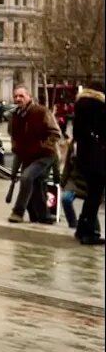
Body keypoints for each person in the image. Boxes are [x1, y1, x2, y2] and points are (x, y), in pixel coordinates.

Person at [8, 85, 60, 224]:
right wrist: (17, 150)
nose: (18, 99)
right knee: (36, 183)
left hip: (45, 155)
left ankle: (18, 212)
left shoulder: (41, 111)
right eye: (16, 96)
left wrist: (43, 146)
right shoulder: (15, 116)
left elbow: (55, 133)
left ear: (29, 97)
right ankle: (44, 217)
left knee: (26, 177)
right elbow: (14, 137)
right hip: (27, 155)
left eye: (21, 96)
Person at [71, 82, 104, 244]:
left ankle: (81, 229)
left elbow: (76, 133)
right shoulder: (99, 106)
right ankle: (88, 232)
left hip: (83, 154)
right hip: (97, 156)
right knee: (95, 195)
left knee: (91, 193)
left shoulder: (80, 105)